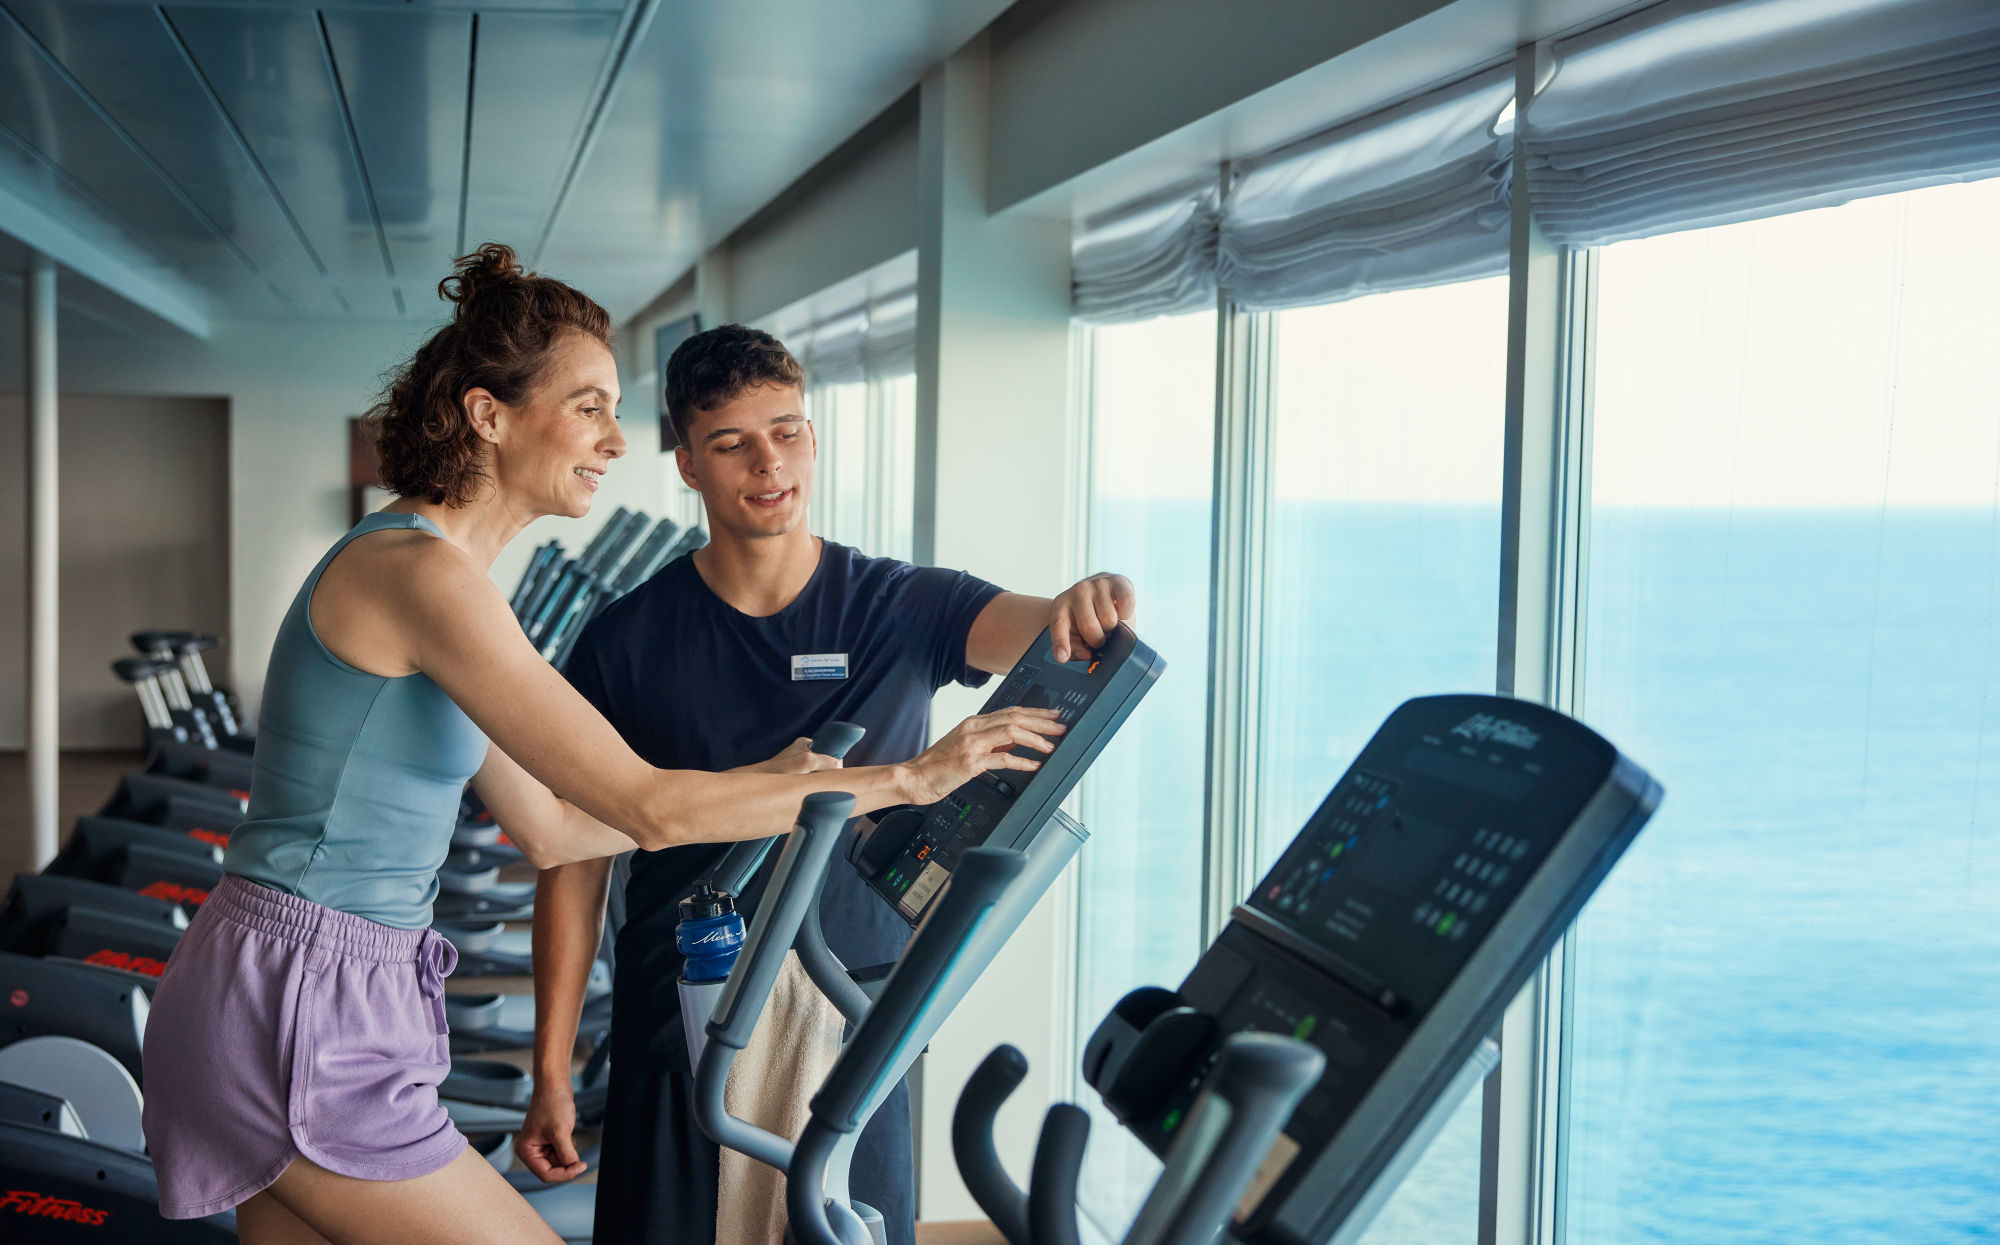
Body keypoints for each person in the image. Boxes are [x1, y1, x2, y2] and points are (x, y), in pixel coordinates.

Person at [137, 246, 1065, 1245]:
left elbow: (553, 830)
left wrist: (765, 778)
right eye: (587, 408)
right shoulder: (421, 576)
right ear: (489, 416)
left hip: (305, 989)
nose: (612, 441)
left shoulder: (439, 580)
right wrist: (911, 778)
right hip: (301, 1003)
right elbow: (642, 808)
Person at [513, 323, 1136, 1245]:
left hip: (855, 1016)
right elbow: (572, 861)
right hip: (679, 1008)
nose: (770, 463)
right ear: (686, 463)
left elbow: (1052, 630)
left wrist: (1091, 596)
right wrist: (553, 1068)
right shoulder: (624, 641)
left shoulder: (904, 604)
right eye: (731, 442)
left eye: (788, 431)